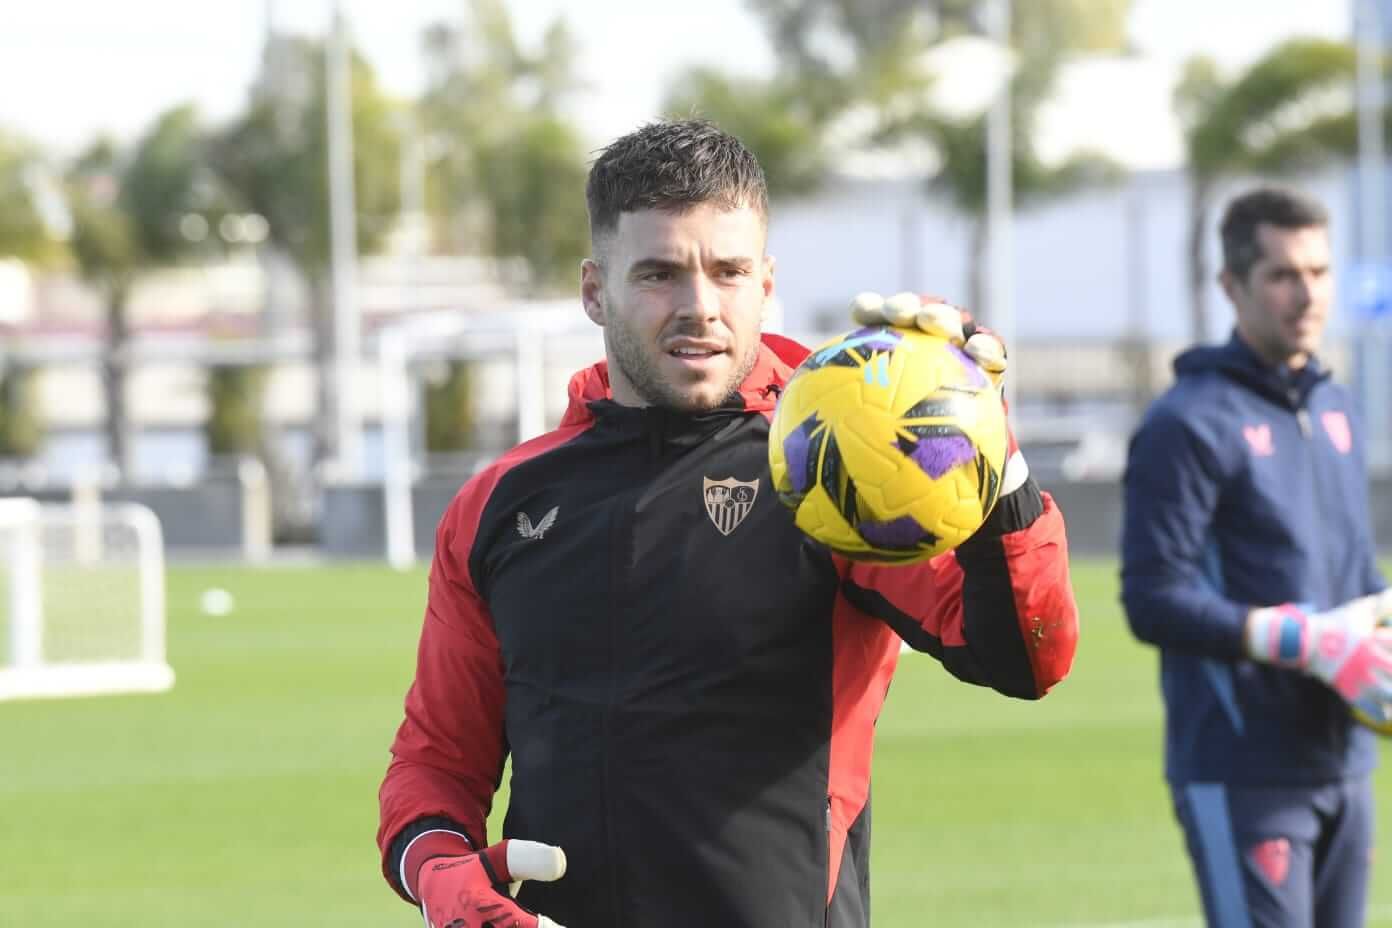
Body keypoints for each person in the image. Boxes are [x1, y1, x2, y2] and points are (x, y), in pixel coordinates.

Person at [377, 119, 1080, 928]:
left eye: (729, 270)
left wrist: (983, 445)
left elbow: (1026, 658)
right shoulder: (500, 505)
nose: (700, 307)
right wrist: (440, 876)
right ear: (594, 290)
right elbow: (434, 767)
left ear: (766, 281)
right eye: (659, 274)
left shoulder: (833, 465)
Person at [1121, 185, 1392, 928]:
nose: (1306, 294)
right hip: (1243, 766)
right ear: (1231, 286)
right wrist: (1305, 639)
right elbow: (1151, 598)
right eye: (1282, 275)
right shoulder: (1186, 423)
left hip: (1344, 764)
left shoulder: (1338, 409)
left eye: (1319, 271)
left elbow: (1356, 578)